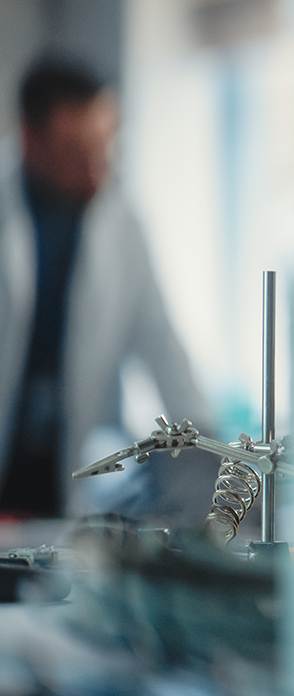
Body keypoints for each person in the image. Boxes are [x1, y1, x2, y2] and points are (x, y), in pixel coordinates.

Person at [0, 53, 212, 519]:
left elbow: (162, 345)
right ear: (30, 139)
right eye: (75, 154)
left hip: (55, 484)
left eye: (104, 147)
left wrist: (209, 450)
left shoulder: (122, 226)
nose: (97, 171)